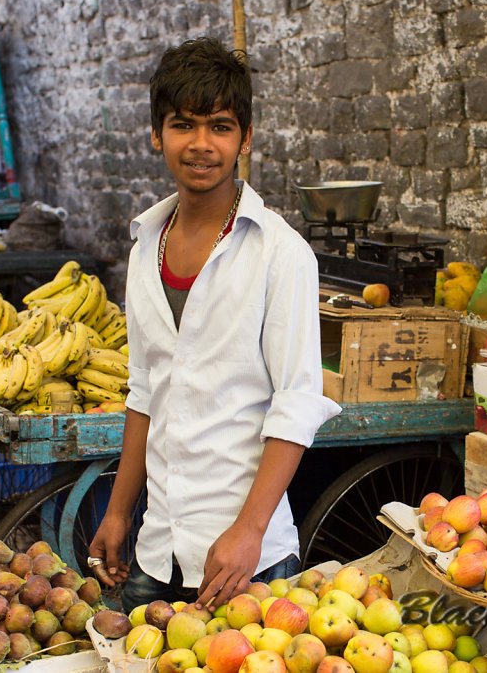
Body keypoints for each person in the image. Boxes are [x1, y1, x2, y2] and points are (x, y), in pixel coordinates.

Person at [87, 38, 342, 613]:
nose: (202, 145)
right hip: (157, 550)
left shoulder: (282, 253)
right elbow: (144, 388)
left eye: (221, 127)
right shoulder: (143, 247)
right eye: (184, 125)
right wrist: (120, 510)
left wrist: (249, 530)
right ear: (158, 134)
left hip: (247, 558)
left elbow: (298, 401)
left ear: (244, 139)